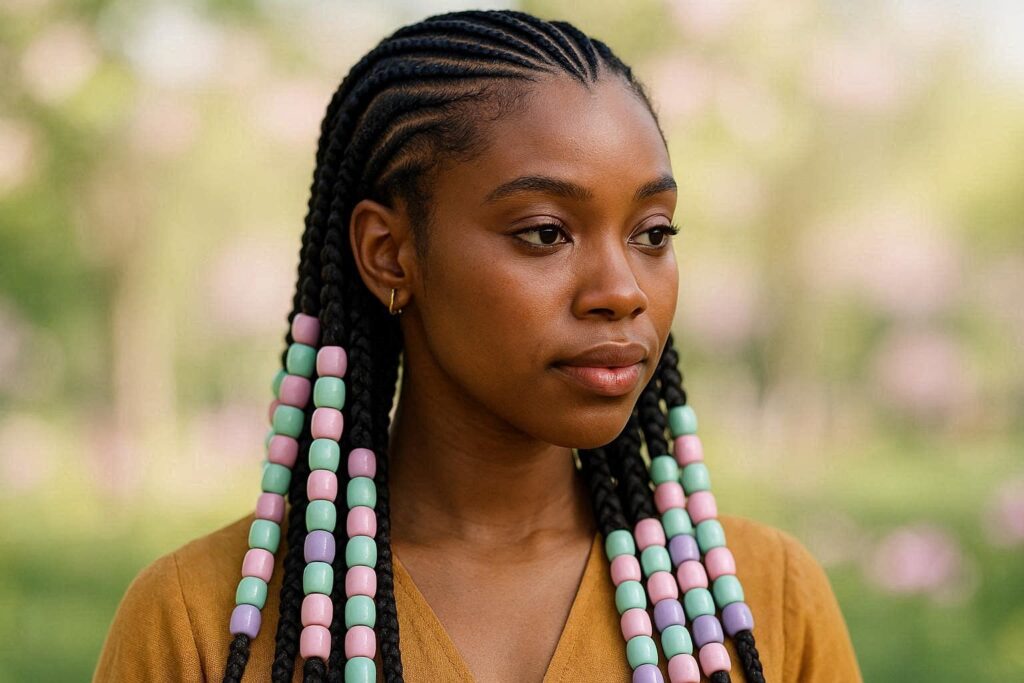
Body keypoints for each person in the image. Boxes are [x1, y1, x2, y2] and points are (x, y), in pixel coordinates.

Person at [94, 9, 861, 683]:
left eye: (652, 233)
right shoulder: (200, 623)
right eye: (546, 233)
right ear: (389, 253)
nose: (622, 290)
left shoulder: (764, 602)